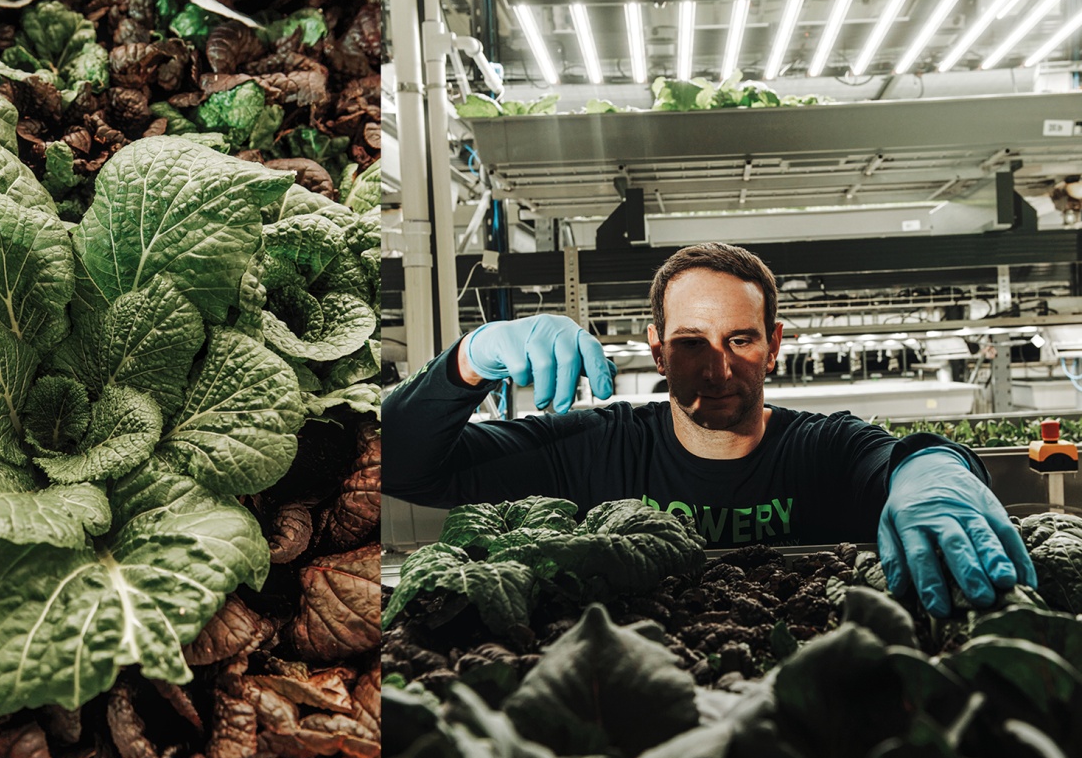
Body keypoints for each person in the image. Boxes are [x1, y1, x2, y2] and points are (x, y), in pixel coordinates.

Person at [382, 242, 1036, 617]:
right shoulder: (590, 448)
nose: (718, 368)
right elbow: (407, 466)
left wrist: (934, 470)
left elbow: (901, 460)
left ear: (774, 345)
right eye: (692, 342)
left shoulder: (821, 452)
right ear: (658, 349)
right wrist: (468, 360)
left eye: (741, 339)